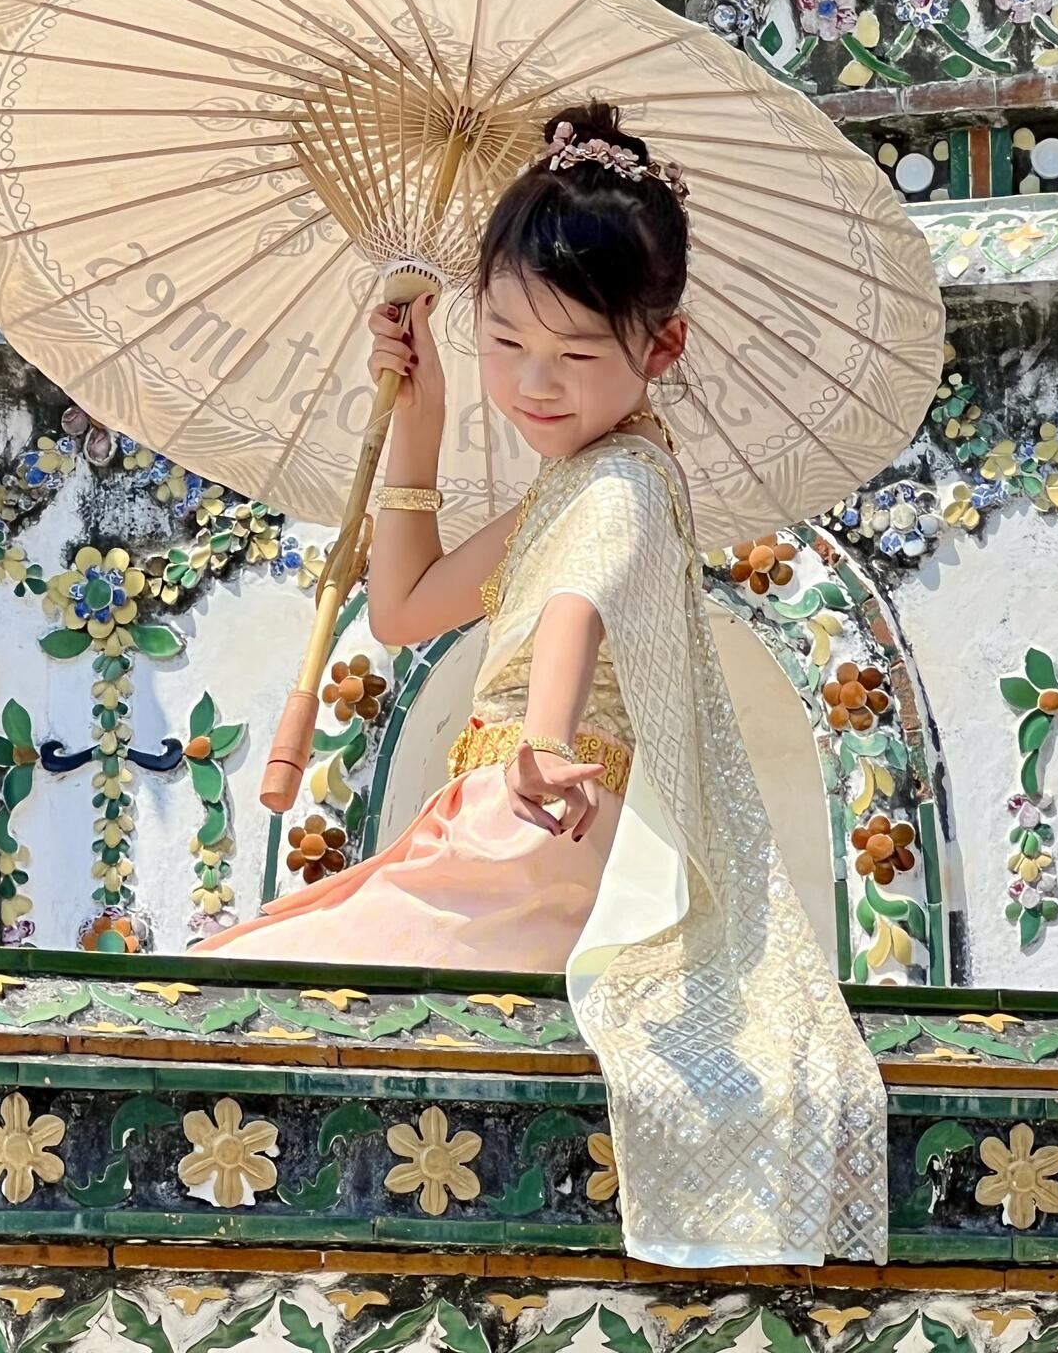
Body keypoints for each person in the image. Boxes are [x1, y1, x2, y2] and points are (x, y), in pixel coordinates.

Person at [190, 101, 887, 1269]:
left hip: (534, 833)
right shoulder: (570, 481)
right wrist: (424, 419)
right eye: (503, 342)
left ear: (659, 349)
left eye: (573, 353)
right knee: (244, 967)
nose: (533, 381)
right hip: (497, 825)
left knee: (235, 985)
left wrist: (544, 738)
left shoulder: (619, 484)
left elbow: (575, 601)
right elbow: (405, 606)